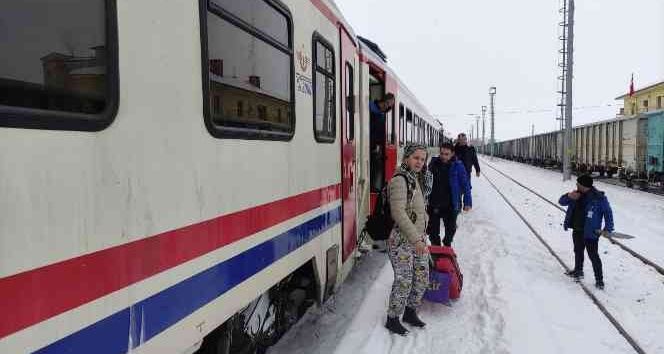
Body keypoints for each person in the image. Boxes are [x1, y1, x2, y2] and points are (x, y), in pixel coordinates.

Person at [385, 143, 429, 336]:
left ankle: (410, 313)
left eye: (422, 158)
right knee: (404, 281)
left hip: (418, 238)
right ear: (406, 158)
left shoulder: (415, 178)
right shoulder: (400, 179)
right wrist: (416, 239)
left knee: (421, 278)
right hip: (402, 241)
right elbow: (398, 213)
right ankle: (392, 319)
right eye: (416, 158)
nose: (419, 162)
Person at [558, 175, 614, 290]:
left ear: (584, 186)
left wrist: (608, 228)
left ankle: (599, 280)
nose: (576, 185)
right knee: (578, 251)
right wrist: (568, 196)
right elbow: (561, 202)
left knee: (593, 256)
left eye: (578, 184)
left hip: (591, 232)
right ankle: (578, 271)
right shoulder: (575, 194)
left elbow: (608, 213)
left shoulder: (599, 198)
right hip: (577, 229)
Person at [427, 143, 472, 247]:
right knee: (433, 232)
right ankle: (436, 248)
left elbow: (466, 185)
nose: (443, 156)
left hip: (451, 204)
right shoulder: (433, 163)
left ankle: (447, 245)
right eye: (442, 153)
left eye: (446, 154)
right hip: (434, 203)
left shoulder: (458, 166)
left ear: (452, 154)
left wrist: (467, 201)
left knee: (450, 230)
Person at [369, 93, 395, 192]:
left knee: (378, 162)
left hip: (374, 145)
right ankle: (372, 186)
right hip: (367, 142)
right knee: (375, 163)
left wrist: (379, 145)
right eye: (388, 104)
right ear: (383, 100)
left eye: (390, 106)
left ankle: (374, 186)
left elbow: (380, 133)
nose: (388, 107)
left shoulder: (382, 114)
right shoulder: (369, 106)